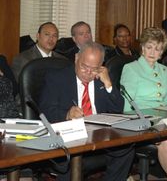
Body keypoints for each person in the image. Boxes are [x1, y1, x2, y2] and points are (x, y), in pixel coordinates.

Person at [39, 42, 134, 180]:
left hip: (99, 135)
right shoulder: (56, 78)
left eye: (94, 69)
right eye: (84, 67)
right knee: (67, 162)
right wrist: (66, 114)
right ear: (76, 58)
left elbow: (117, 109)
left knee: (126, 148)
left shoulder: (102, 78)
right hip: (71, 136)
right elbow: (45, 111)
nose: (88, 73)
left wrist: (108, 85)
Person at [120, 27, 167, 181]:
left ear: (162, 52)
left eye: (158, 49)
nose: (153, 52)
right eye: (149, 47)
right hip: (142, 120)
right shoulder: (131, 69)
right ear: (142, 48)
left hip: (165, 118)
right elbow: (127, 104)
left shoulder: (165, 70)